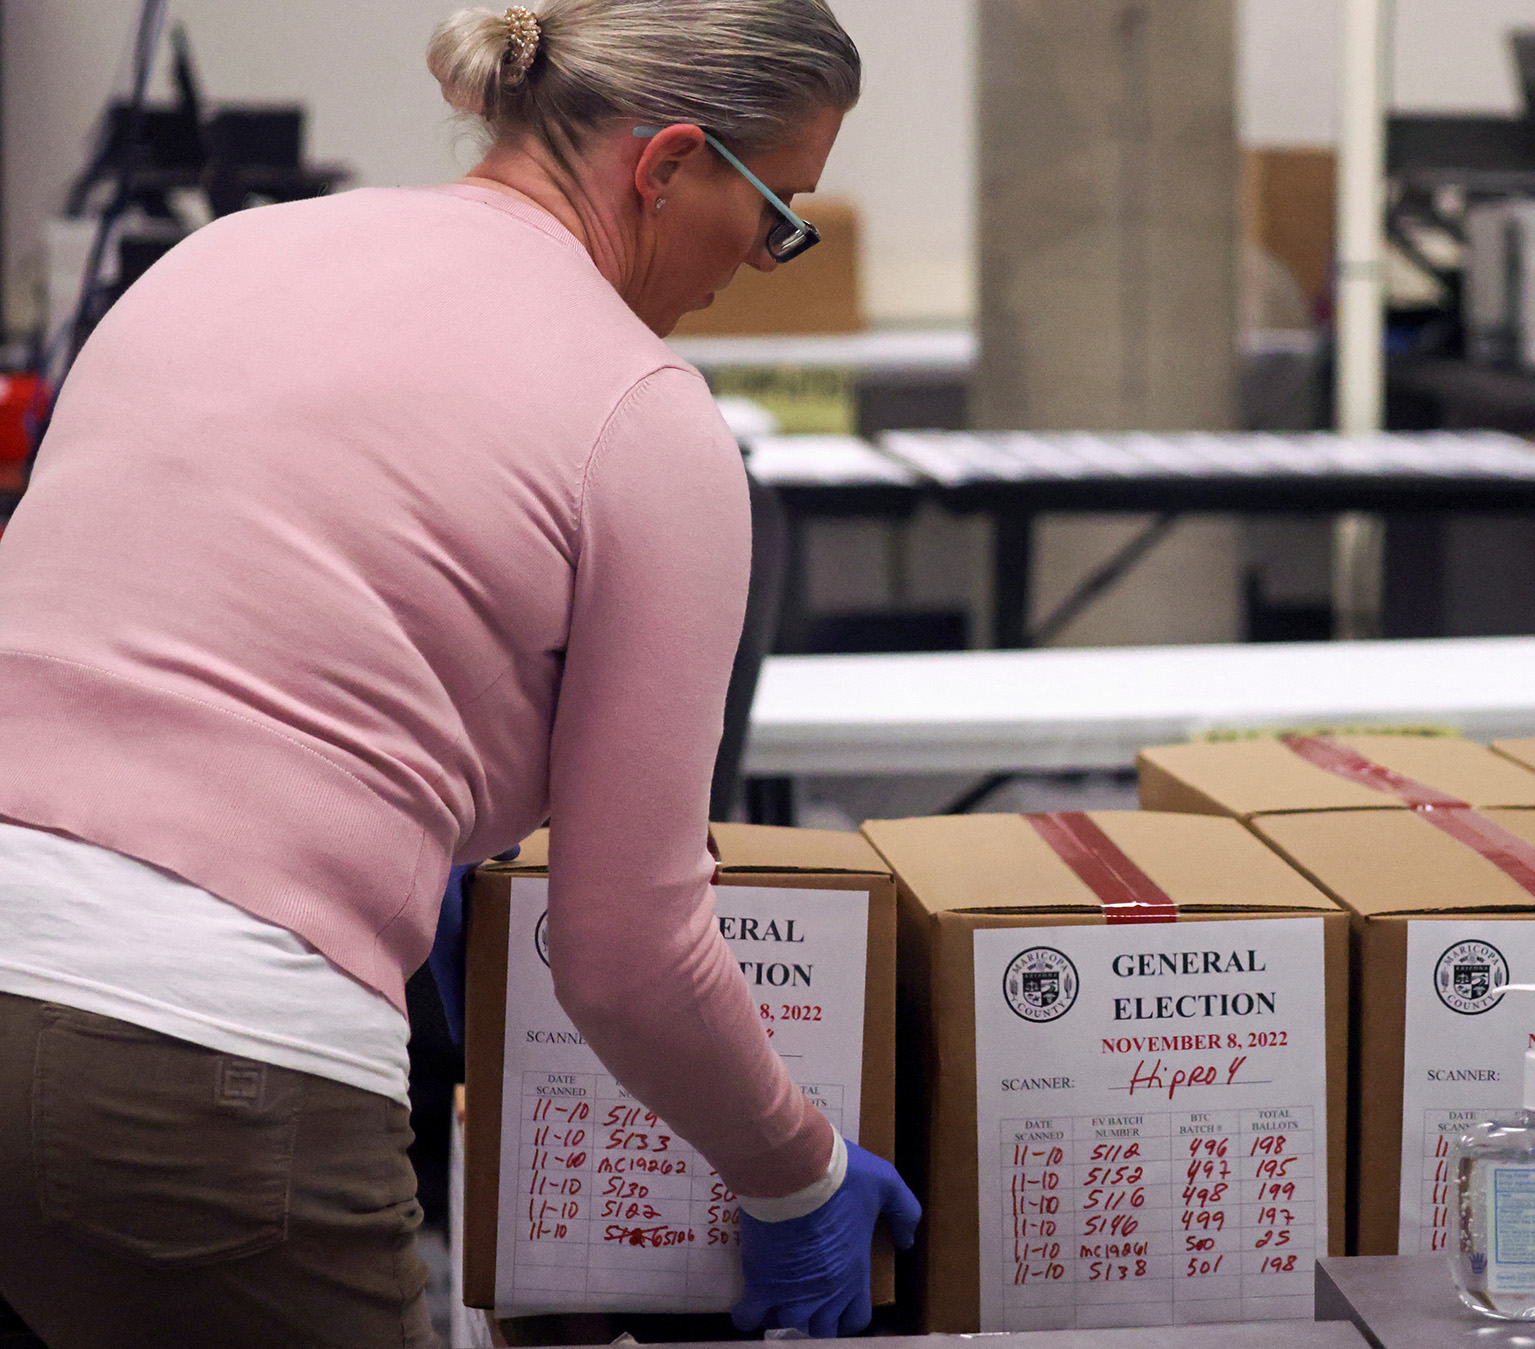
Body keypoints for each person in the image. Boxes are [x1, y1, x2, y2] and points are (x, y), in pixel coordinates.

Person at [0, 3, 917, 1345]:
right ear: (668, 165)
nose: (772, 260)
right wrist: (797, 1171)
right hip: (195, 1055)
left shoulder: (226, 253)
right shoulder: (641, 418)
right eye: (783, 209)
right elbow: (628, 959)